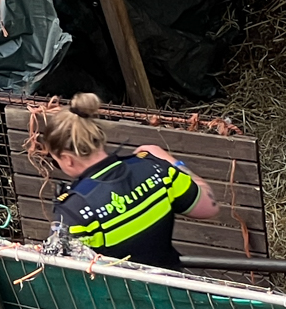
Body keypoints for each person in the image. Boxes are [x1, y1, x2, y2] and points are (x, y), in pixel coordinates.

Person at [39, 93, 217, 270]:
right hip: (172, 289)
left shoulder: (74, 209)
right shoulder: (158, 170)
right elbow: (210, 206)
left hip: (118, 296)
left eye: (56, 161)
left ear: (67, 158)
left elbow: (61, 271)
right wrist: (172, 162)